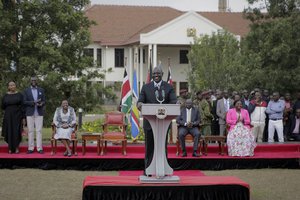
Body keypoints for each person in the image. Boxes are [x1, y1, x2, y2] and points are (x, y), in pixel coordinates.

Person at [137, 66, 177, 173]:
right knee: (149, 147)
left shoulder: (168, 87)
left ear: (162, 74)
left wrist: (177, 103)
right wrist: (139, 104)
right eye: (154, 74)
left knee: (162, 147)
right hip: (149, 124)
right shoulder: (146, 87)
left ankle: (163, 169)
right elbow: (140, 101)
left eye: (158, 73)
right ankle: (148, 170)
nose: (156, 75)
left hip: (163, 124)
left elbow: (174, 101)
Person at [23, 76, 46, 154]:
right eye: (32, 80)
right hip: (30, 113)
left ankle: (39, 148)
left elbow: (44, 101)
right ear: (30, 81)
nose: (33, 81)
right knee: (30, 131)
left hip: (39, 113)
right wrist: (34, 102)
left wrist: (41, 103)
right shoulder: (26, 91)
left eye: (35, 80)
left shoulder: (41, 90)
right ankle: (31, 148)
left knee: (39, 131)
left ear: (37, 81)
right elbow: (24, 102)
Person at [1, 81, 25, 154]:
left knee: (16, 131)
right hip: (8, 116)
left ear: (15, 86)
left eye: (13, 85)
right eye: (10, 85)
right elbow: (2, 106)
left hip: (17, 116)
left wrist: (23, 117)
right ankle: (10, 148)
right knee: (9, 130)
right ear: (8, 87)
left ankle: (17, 147)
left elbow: (23, 107)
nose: (12, 86)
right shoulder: (5, 96)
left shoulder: (20, 95)